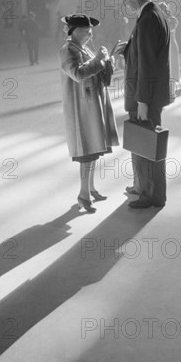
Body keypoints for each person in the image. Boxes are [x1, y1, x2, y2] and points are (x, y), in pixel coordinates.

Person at [113, 0, 171, 209]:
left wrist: (143, 101)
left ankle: (151, 195)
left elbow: (147, 64)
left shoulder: (147, 20)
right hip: (146, 94)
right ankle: (143, 187)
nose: (124, 4)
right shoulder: (153, 14)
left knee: (147, 144)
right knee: (142, 143)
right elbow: (147, 53)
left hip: (144, 96)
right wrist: (128, 49)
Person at [60, 14, 119, 213]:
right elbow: (77, 74)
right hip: (81, 109)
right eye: (86, 31)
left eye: (90, 31)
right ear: (74, 31)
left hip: (91, 105)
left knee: (93, 150)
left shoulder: (81, 47)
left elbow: (95, 68)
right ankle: (83, 195)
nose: (89, 35)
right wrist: (99, 60)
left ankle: (91, 188)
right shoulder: (68, 50)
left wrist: (106, 61)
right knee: (87, 152)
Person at [159, 2, 180, 99]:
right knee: (163, 71)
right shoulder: (159, 20)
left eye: (162, 10)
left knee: (172, 70)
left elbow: (170, 29)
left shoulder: (172, 20)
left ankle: (172, 93)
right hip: (162, 48)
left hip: (171, 47)